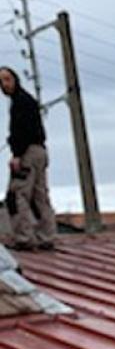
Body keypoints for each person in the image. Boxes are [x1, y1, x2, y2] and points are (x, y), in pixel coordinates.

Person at [1, 66, 57, 252]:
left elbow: (22, 131)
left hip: (28, 153)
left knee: (17, 194)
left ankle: (24, 238)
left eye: (7, 79)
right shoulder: (27, 100)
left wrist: (17, 154)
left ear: (15, 79)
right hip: (40, 151)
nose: (4, 85)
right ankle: (46, 236)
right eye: (1, 81)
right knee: (40, 195)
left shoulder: (20, 103)